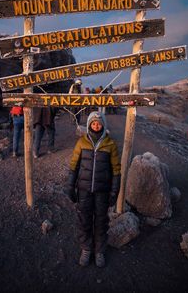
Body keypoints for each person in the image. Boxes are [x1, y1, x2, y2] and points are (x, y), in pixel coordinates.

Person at [65, 111, 121, 268]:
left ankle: (99, 251)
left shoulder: (110, 144)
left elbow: (116, 170)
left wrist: (114, 192)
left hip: (102, 191)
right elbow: (73, 166)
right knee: (84, 220)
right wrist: (70, 186)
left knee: (102, 221)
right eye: (93, 123)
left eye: (99, 123)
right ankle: (86, 248)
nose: (96, 125)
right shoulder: (81, 143)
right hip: (84, 190)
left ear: (103, 124)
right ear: (89, 124)